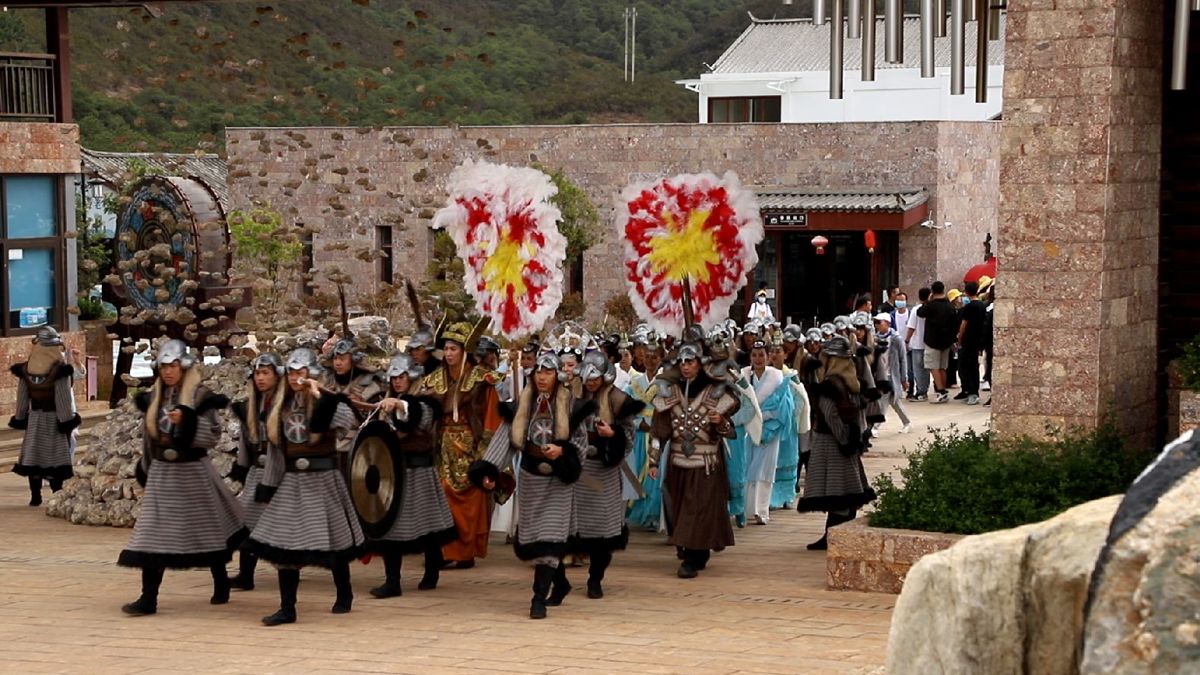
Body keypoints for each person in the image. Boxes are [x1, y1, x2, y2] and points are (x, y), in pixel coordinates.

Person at [117, 340, 243, 616]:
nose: (168, 371)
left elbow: (212, 435)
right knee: (151, 535)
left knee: (206, 530)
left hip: (193, 472)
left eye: (173, 365)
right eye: (164, 366)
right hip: (163, 473)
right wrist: (146, 468)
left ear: (183, 367)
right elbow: (149, 439)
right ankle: (148, 597)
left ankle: (220, 582)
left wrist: (186, 422)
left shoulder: (200, 398)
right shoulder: (153, 398)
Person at [244, 348, 366, 626]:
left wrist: (320, 395)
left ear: (312, 374)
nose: (296, 378)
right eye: (291, 373)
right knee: (286, 545)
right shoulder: (281, 406)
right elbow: (277, 451)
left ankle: (344, 593)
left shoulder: (329, 401)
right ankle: (287, 607)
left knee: (333, 541)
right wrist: (269, 486)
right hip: (292, 483)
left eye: (301, 373)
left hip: (323, 480)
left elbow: (348, 423)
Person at [469, 351, 592, 619]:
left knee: (551, 534)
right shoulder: (521, 406)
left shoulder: (572, 406)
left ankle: (537, 598)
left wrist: (564, 453)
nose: (542, 377)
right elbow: (505, 441)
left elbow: (582, 443)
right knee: (538, 539)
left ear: (557, 375)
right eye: (538, 371)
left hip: (559, 482)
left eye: (547, 372)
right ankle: (560, 583)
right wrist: (488, 470)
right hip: (531, 480)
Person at [368, 354, 458, 599]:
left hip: (419, 472)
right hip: (393, 471)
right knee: (391, 526)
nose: (397, 381)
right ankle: (392, 581)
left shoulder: (425, 401)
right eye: (394, 377)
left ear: (412, 377)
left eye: (402, 377)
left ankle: (431, 571)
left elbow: (420, 419)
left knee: (427, 525)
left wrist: (400, 405)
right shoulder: (386, 400)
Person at [648, 341, 740, 579]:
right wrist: (654, 461)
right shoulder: (670, 391)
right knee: (680, 509)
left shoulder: (716, 391)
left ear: (701, 363)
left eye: (690, 362)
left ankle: (691, 557)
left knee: (698, 509)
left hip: (706, 463)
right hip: (678, 462)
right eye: (682, 362)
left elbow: (728, 430)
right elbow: (659, 430)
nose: (685, 366)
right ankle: (694, 551)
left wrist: (720, 421)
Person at [415, 322, 497, 569]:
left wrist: (487, 457)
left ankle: (465, 551)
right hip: (442, 447)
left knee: (471, 501)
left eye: (453, 348)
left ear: (464, 351)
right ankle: (444, 550)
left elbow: (491, 418)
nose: (449, 353)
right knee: (442, 498)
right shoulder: (433, 380)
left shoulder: (481, 379)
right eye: (446, 349)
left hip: (470, 446)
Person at [573, 350, 644, 599]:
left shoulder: (617, 399)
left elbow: (630, 435)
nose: (590, 382)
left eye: (595, 378)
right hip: (578, 470)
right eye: (587, 378)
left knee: (603, 531)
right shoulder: (572, 397)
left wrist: (613, 435)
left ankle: (596, 578)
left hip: (603, 470)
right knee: (570, 527)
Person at [797, 335, 876, 550]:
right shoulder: (849, 384)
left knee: (840, 492)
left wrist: (845, 439)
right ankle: (833, 536)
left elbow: (832, 416)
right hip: (843, 443)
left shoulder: (832, 386)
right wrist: (853, 438)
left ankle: (835, 537)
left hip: (832, 444)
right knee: (846, 491)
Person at [228, 352, 287, 591]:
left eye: (266, 373)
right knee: (247, 521)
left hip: (282, 474)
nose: (260, 378)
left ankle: (289, 572)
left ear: (277, 376)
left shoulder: (287, 405)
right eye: (257, 373)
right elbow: (245, 440)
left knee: (282, 527)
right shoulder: (250, 406)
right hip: (256, 471)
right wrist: (242, 468)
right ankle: (246, 574)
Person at [9, 327, 81, 506]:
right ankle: (57, 496)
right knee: (55, 459)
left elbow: (22, 398)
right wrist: (67, 421)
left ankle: (35, 496)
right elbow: (63, 399)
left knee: (33, 457)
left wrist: (20, 416)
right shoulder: (60, 371)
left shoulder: (26, 369)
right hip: (53, 419)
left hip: (34, 419)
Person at [741, 341, 792, 525]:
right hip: (748, 427)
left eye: (762, 355)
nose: (758, 359)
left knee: (765, 468)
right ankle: (747, 509)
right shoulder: (744, 375)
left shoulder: (777, 377)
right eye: (754, 355)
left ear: (768, 356)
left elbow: (784, 405)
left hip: (770, 428)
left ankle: (761, 511)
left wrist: (763, 416)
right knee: (747, 466)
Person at [625, 334, 666, 531]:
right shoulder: (634, 383)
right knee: (637, 470)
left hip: (657, 434)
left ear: (661, 359)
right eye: (647, 357)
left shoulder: (665, 382)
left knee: (654, 473)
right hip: (640, 433)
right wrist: (639, 422)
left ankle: (653, 514)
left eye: (654, 357)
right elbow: (626, 408)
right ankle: (639, 511)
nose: (650, 361)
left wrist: (656, 426)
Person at [918, 282, 959, 404]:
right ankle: (944, 390)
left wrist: (928, 301)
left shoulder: (931, 306)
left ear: (932, 292)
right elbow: (955, 324)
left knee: (933, 366)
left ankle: (940, 391)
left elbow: (920, 312)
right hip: (946, 341)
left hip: (932, 340)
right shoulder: (949, 306)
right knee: (942, 367)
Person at [873, 314, 912, 434]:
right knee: (894, 402)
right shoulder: (875, 339)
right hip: (881, 374)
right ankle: (907, 422)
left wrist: (904, 378)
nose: (877, 325)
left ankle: (875, 427)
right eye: (876, 322)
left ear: (888, 323)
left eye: (880, 322)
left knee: (883, 401)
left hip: (891, 375)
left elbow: (902, 359)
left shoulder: (896, 339)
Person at [956, 281, 986, 406]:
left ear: (966, 292)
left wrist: (959, 337)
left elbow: (964, 324)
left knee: (967, 367)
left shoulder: (969, 307)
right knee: (973, 366)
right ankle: (970, 390)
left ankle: (972, 392)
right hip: (978, 339)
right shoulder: (982, 305)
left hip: (968, 340)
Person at [905, 287, 931, 401]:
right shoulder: (932, 308)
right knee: (926, 370)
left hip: (917, 343)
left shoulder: (916, 310)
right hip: (929, 343)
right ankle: (924, 390)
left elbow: (911, 327)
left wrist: (907, 340)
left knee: (918, 369)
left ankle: (921, 391)